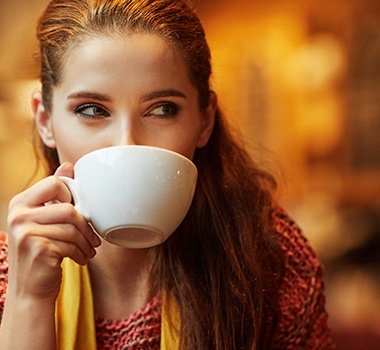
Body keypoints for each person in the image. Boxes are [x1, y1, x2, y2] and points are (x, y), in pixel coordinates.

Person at [0, 0, 334, 349]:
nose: (126, 143)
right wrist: (29, 298)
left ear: (205, 121)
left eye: (162, 110)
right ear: (45, 121)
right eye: (92, 110)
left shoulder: (272, 260)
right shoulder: (9, 276)